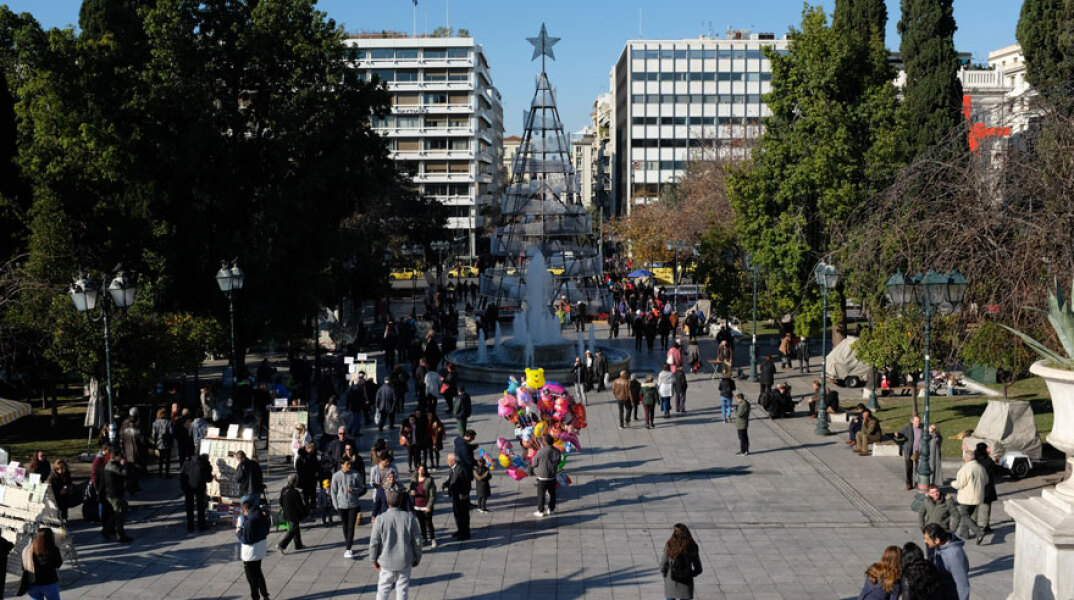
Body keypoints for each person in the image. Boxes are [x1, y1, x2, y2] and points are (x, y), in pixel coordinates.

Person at [368, 489, 423, 600]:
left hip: (385, 562)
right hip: (405, 561)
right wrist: (418, 557)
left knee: (383, 591)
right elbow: (417, 540)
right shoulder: (409, 518)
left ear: (387, 502)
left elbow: (374, 542)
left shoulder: (380, 519)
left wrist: (373, 559)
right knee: (402, 591)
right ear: (401, 501)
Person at [923, 523, 970, 600]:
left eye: (927, 539)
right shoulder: (938, 546)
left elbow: (962, 585)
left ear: (937, 540)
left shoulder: (954, 555)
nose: (925, 541)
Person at [330, 458, 366, 558]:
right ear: (342, 465)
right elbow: (333, 492)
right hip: (341, 505)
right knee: (345, 526)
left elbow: (362, 487)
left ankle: (348, 548)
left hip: (353, 504)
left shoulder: (355, 474)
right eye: (347, 464)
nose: (349, 466)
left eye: (350, 464)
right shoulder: (336, 476)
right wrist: (335, 505)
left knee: (351, 526)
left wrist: (354, 490)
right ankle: (348, 543)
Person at [236, 500, 271, 600]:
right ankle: (265, 595)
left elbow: (246, 539)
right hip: (260, 549)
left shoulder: (249, 522)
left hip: (250, 553)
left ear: (246, 510)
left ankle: (255, 596)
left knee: (251, 577)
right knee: (258, 572)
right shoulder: (262, 516)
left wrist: (239, 531)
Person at [659, 523, 703, 600]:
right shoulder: (692, 546)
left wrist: (666, 575)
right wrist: (690, 573)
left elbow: (662, 565)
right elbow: (698, 569)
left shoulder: (670, 545)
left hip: (671, 580)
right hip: (686, 582)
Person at [952, 450, 987, 545]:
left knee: (964, 515)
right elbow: (986, 481)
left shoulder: (965, 469)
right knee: (967, 516)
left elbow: (959, 484)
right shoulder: (981, 467)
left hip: (966, 497)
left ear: (966, 458)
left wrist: (952, 483)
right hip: (978, 497)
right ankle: (964, 534)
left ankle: (978, 532)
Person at [21, 528, 63, 600]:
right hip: (49, 582)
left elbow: (23, 566)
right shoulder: (53, 549)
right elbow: (58, 564)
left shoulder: (27, 549)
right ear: (50, 537)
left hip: (33, 584)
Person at [102, 451, 132, 543]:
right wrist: (124, 465)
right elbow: (125, 473)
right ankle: (120, 535)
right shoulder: (113, 466)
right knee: (119, 514)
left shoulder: (109, 465)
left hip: (113, 492)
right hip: (114, 493)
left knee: (120, 511)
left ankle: (107, 530)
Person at [530, 434, 561, 517]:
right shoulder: (557, 451)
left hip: (542, 477)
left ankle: (540, 511)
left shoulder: (540, 452)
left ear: (545, 442)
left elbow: (534, 463)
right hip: (552, 476)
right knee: (552, 494)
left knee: (541, 495)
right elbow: (558, 462)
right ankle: (551, 509)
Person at [179, 453, 212, 532]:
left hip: (188, 486)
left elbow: (182, 475)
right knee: (200, 505)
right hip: (200, 486)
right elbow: (208, 478)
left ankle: (190, 526)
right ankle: (201, 525)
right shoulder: (204, 463)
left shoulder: (187, 462)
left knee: (189, 506)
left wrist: (183, 487)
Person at [408, 464, 438, 547]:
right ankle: (424, 538)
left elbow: (432, 495)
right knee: (421, 523)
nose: (421, 471)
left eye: (422, 470)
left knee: (429, 523)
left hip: (426, 505)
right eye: (419, 470)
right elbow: (410, 490)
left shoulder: (429, 480)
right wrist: (411, 492)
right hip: (417, 505)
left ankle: (432, 539)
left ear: (425, 470)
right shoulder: (414, 479)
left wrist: (429, 506)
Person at [277, 474, 307, 553]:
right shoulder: (295, 492)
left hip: (286, 513)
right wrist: (304, 512)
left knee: (295, 528)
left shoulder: (284, 490)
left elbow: (280, 501)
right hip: (294, 514)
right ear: (295, 482)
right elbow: (299, 505)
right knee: (292, 530)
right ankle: (282, 545)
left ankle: (298, 544)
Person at [445, 453, 471, 540]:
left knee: (463, 515)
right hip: (455, 495)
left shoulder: (460, 469)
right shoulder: (453, 468)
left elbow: (467, 482)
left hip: (461, 496)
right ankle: (460, 530)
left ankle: (465, 533)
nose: (447, 461)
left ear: (453, 461)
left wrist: (465, 494)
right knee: (457, 514)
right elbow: (451, 479)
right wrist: (446, 484)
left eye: (448, 460)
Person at [974, 442, 998, 534]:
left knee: (974, 507)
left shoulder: (974, 461)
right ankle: (986, 525)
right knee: (986, 507)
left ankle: (973, 524)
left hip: (976, 488)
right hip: (987, 488)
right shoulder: (988, 461)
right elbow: (995, 470)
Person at [894, 415, 923, 490]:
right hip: (909, 450)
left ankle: (917, 482)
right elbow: (901, 434)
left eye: (919, 421)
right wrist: (897, 435)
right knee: (909, 468)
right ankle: (909, 483)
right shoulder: (907, 427)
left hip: (918, 451)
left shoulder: (922, 428)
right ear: (912, 421)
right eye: (916, 421)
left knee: (918, 468)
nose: (918, 423)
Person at [150, 407, 174, 479]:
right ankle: (167, 473)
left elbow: (153, 434)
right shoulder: (168, 422)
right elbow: (171, 432)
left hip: (158, 443)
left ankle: (160, 472)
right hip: (167, 443)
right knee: (167, 459)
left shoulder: (155, 423)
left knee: (160, 458)